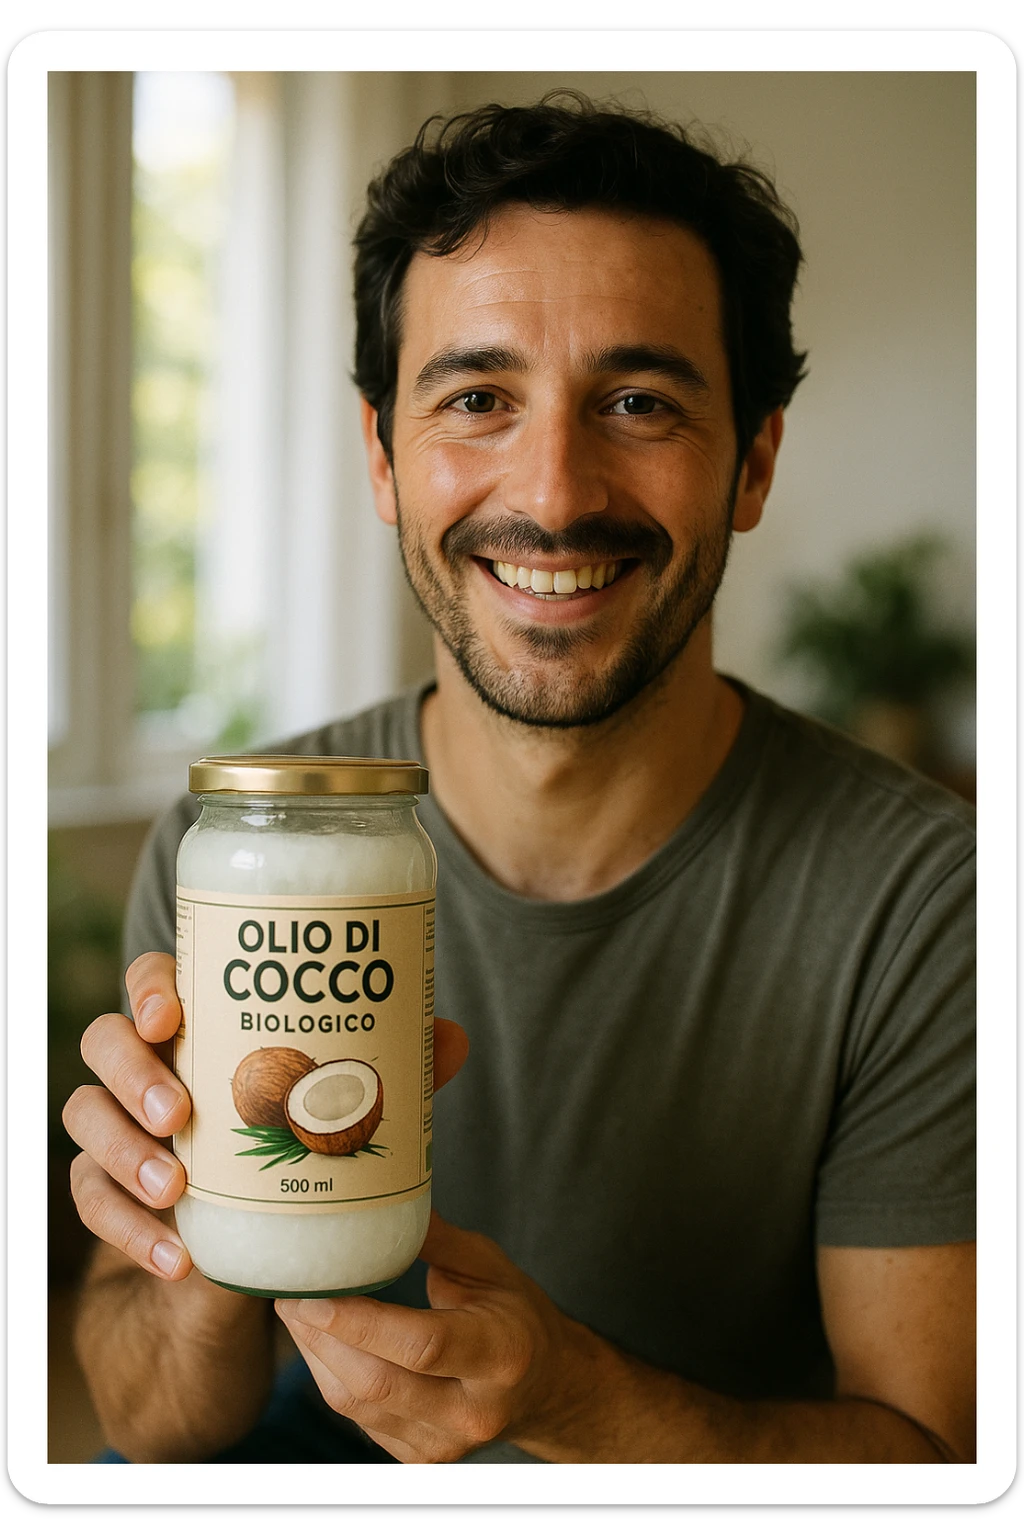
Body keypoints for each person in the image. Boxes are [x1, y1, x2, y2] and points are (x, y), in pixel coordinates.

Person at [63, 96, 975, 1466]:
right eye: (478, 399)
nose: (552, 493)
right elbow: (150, 1427)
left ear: (753, 463)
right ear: (383, 455)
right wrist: (191, 1239)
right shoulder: (239, 844)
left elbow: (936, 1461)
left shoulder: (927, 901)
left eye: (639, 402)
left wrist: (570, 1401)